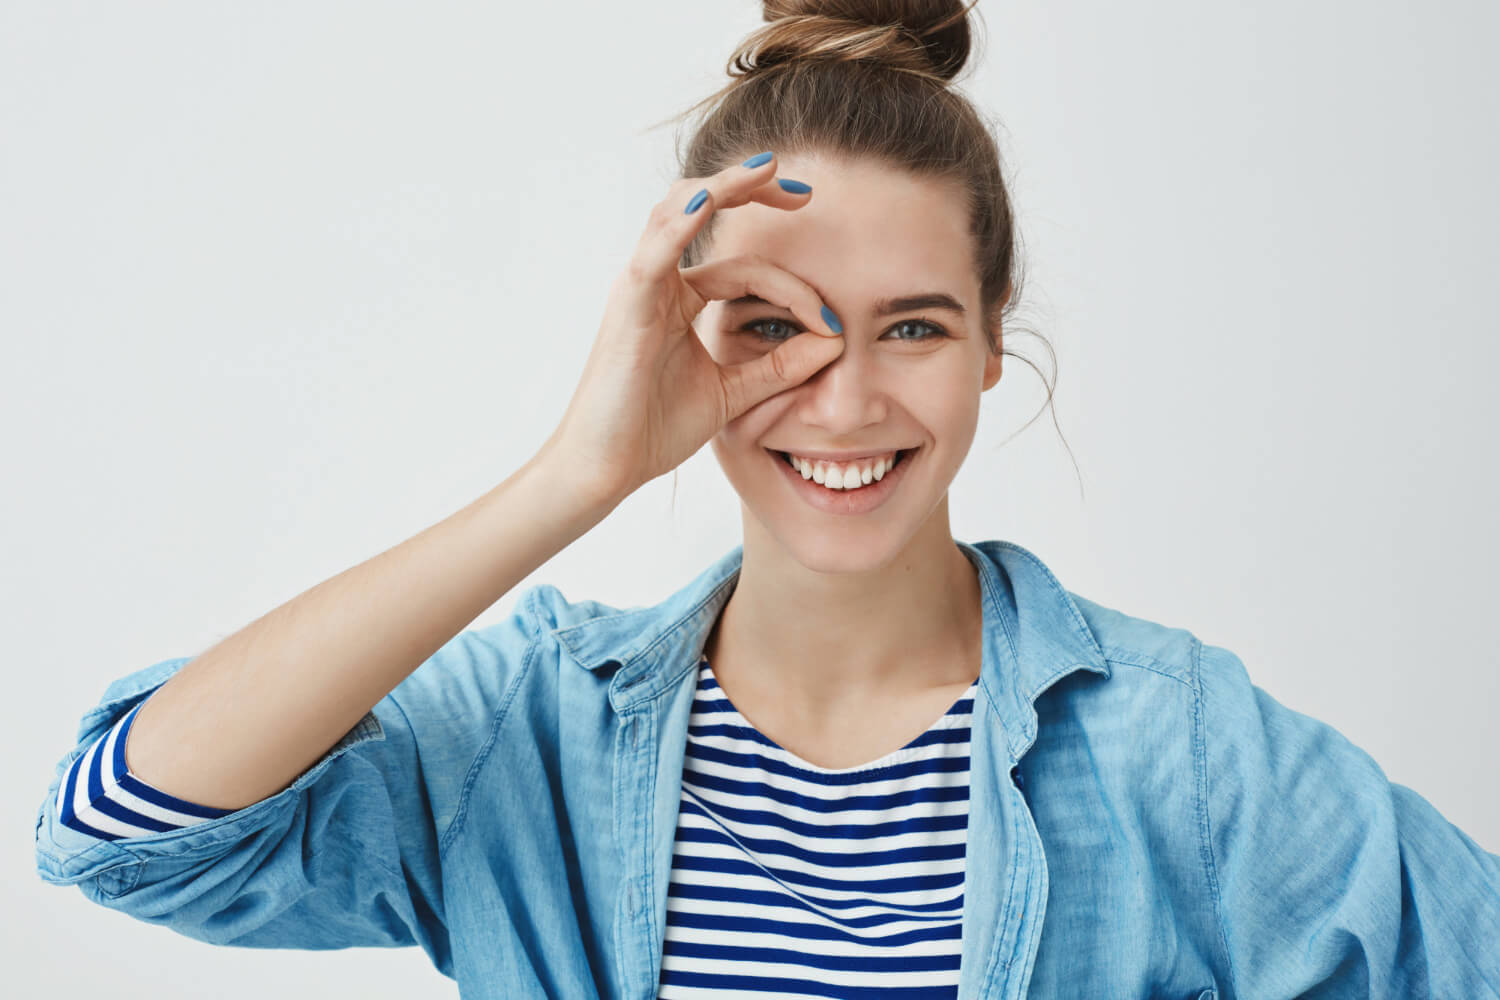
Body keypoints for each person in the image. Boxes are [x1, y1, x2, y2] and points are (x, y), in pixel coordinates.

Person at [33, 1, 1500, 997]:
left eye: (914, 325)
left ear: (995, 339)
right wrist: (576, 475)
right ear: (685, 334)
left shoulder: (1178, 749)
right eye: (775, 325)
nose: (848, 400)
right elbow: (122, 828)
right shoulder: (524, 730)